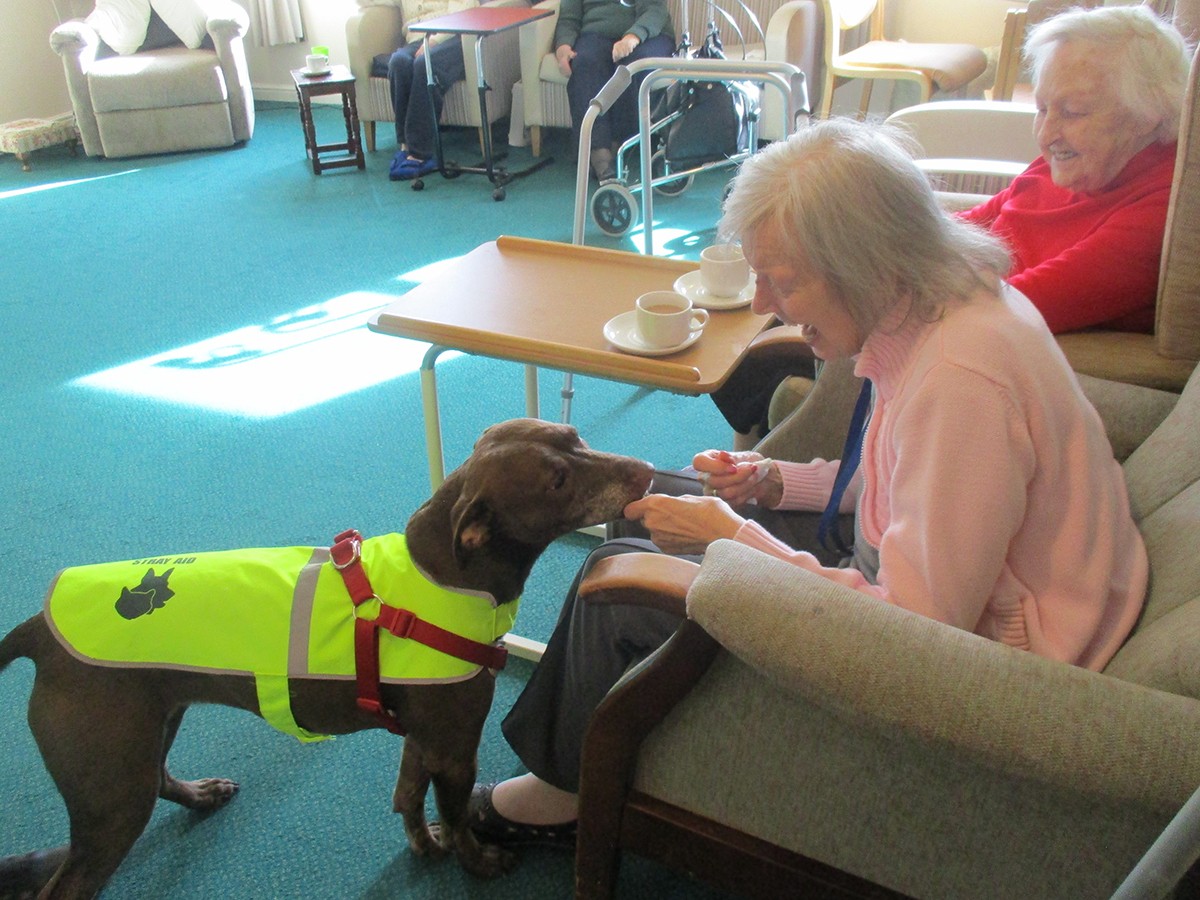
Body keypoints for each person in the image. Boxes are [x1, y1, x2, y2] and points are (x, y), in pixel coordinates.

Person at [461, 117, 1150, 846]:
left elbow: (918, 630)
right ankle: (589, 747)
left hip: (987, 656)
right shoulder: (937, 307)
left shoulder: (960, 379)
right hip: (946, 582)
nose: (762, 303)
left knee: (619, 582)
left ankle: (566, 789)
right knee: (649, 510)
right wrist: (773, 483)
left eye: (781, 279)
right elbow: (902, 479)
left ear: (866, 262)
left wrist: (734, 539)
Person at [712, 3, 1191, 443]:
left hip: (986, 328)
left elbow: (1020, 301)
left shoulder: (1158, 212)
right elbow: (974, 222)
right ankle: (759, 426)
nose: (1046, 134)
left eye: (1072, 112)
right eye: (1042, 107)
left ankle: (772, 461)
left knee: (830, 291)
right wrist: (854, 233)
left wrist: (867, 269)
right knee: (794, 269)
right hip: (966, 297)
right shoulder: (1079, 162)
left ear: (1149, 115)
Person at [554, 0, 676, 180]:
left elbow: (655, 10)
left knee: (632, 65)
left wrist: (633, 37)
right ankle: (598, 153)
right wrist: (563, 47)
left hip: (649, 34)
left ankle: (619, 144)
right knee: (585, 63)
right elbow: (568, 18)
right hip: (596, 34)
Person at [384, 0, 478, 181]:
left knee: (423, 63)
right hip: (415, 39)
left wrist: (434, 40)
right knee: (398, 62)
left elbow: (463, 15)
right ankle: (406, 145)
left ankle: (420, 152)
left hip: (451, 38)